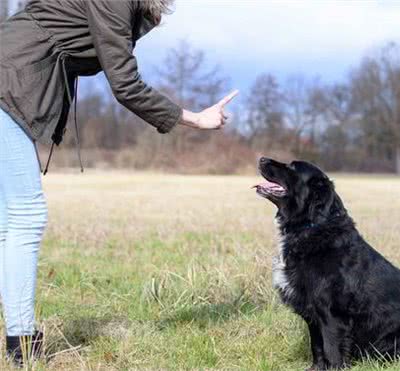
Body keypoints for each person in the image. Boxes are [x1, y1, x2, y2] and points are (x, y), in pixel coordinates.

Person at [0, 0, 238, 364]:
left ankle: (18, 339)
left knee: (8, 222)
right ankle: (22, 346)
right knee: (25, 214)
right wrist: (196, 119)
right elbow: (125, 85)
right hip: (8, 85)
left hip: (10, 81)